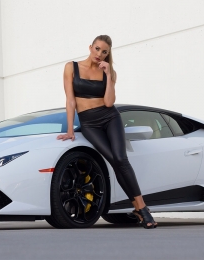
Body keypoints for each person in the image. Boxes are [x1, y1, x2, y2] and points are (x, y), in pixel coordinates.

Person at [56, 35, 157, 229]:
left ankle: (142, 208)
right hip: (89, 123)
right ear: (90, 47)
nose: (99, 54)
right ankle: (140, 209)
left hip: (110, 117)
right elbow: (70, 100)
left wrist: (109, 75)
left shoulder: (108, 72)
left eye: (104, 52)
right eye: (97, 49)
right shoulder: (72, 67)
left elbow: (110, 102)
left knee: (120, 159)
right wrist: (70, 130)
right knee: (114, 159)